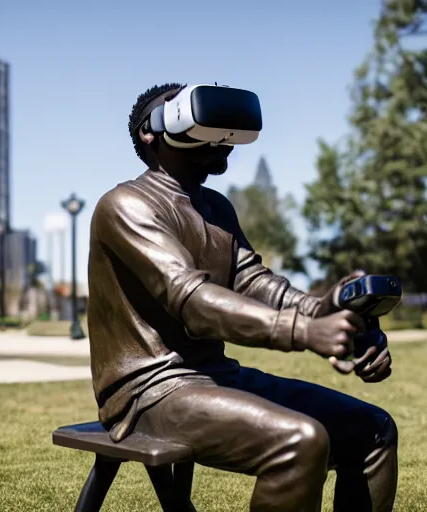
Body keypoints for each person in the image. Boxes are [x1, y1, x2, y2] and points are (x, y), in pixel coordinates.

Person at [86, 83, 398, 512]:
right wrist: (304, 330)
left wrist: (333, 310)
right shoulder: (125, 205)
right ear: (150, 133)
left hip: (216, 376)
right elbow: (192, 301)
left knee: (373, 429)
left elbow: (255, 283)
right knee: (299, 441)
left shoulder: (216, 208)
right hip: (150, 391)